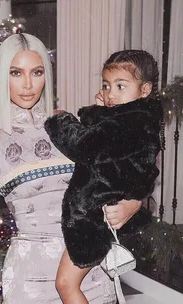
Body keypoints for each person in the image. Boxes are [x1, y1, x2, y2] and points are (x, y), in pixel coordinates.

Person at [0, 33, 144, 304]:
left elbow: (115, 172)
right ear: (2, 76)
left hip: (89, 271)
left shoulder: (66, 125)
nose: (28, 84)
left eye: (36, 72)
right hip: (31, 282)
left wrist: (134, 202)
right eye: (16, 73)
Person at [45, 49, 162, 303]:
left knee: (65, 283)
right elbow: (104, 144)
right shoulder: (132, 118)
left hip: (99, 217)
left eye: (121, 86)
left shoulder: (134, 121)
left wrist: (59, 121)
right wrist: (97, 112)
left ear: (144, 90)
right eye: (106, 86)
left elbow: (83, 146)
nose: (111, 94)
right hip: (102, 213)